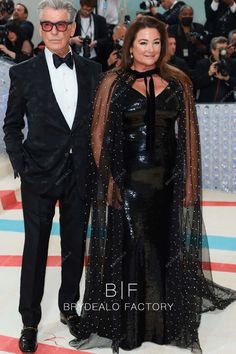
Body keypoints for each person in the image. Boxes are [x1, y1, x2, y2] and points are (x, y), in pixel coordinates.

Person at [69, 16, 236, 354]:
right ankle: (129, 325)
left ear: (165, 46)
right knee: (134, 246)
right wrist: (110, 180)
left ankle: (164, 323)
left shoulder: (179, 82)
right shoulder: (111, 82)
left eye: (156, 42)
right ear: (130, 46)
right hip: (128, 181)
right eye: (143, 42)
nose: (150, 49)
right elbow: (98, 135)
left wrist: (189, 181)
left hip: (168, 181)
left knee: (163, 247)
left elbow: (189, 136)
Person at [3, 0, 101, 352]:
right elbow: (11, 127)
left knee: (75, 247)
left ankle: (68, 309)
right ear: (41, 28)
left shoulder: (93, 71)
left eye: (62, 25)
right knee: (35, 249)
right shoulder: (23, 73)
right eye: (48, 25)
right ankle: (29, 320)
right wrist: (24, 166)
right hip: (39, 177)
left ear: (73, 29)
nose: (55, 31)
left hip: (80, 175)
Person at [193, 36, 236, 102]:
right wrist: (209, 74)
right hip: (206, 104)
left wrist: (227, 78)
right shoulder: (202, 64)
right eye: (221, 49)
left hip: (228, 104)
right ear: (213, 50)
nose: (223, 52)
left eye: (225, 49)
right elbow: (196, 84)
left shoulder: (233, 63)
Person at [70, 0, 108, 69]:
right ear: (80, 6)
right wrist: (73, 40)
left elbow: (107, 39)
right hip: (76, 58)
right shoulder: (72, 20)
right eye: (84, 9)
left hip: (95, 59)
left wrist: (95, 42)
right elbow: (65, 38)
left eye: (89, 10)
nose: (87, 12)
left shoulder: (100, 20)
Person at [169, 5, 208, 69]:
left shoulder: (199, 28)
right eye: (185, 14)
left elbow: (205, 49)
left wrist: (198, 43)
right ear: (180, 16)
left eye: (190, 14)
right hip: (178, 63)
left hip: (196, 62)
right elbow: (169, 49)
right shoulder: (172, 29)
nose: (188, 16)